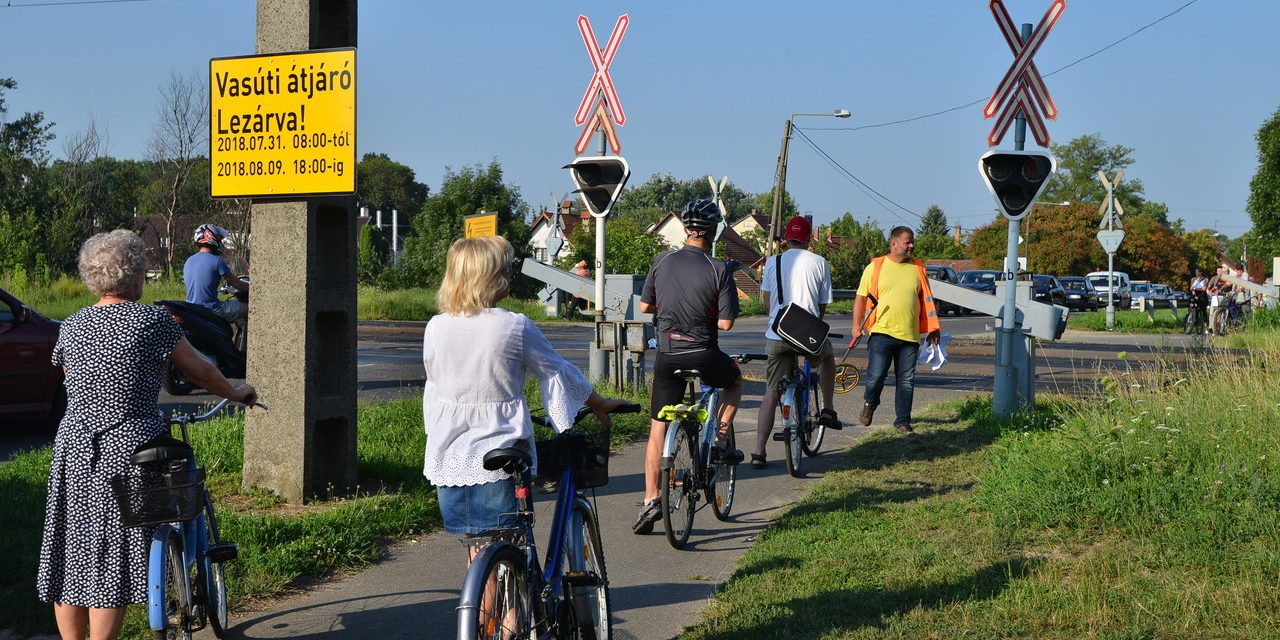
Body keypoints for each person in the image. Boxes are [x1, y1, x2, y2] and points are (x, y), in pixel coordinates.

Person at [37, 230, 258, 640]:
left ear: (92, 277)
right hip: (131, 444)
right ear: (135, 276)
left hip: (75, 445)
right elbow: (201, 369)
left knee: (72, 553)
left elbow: (68, 377)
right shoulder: (151, 319)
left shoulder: (72, 324)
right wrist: (237, 392)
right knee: (113, 555)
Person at [421, 236, 627, 551]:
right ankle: (514, 602)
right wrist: (594, 404)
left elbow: (433, 387)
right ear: (489, 278)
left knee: (479, 547)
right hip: (500, 451)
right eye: (503, 270)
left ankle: (478, 601)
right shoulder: (514, 325)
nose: (508, 276)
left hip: (449, 456)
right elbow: (556, 372)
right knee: (509, 546)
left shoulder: (436, 326)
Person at [633, 199, 743, 534]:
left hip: (668, 356)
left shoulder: (661, 260)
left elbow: (644, 305)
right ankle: (722, 439)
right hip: (703, 354)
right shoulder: (719, 269)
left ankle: (651, 498)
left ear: (685, 229)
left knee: (658, 427)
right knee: (734, 381)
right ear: (713, 231)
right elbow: (726, 324)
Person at [752, 215, 840, 469]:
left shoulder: (772, 262)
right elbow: (822, 306)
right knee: (827, 357)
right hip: (806, 336)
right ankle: (828, 408)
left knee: (771, 391)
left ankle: (759, 451)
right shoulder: (821, 263)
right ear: (809, 238)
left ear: (786, 238)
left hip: (777, 334)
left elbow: (767, 304)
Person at [851, 226, 941, 434]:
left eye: (912, 242)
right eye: (907, 242)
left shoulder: (918, 268)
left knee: (906, 381)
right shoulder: (876, 267)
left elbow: (927, 301)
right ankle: (870, 403)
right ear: (894, 244)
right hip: (881, 333)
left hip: (910, 335)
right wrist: (856, 326)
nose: (912, 245)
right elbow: (860, 297)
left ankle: (902, 421)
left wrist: (933, 328)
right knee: (876, 377)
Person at [183, 223, 248, 322]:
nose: (221, 243)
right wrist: (254, 288)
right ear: (211, 238)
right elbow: (237, 284)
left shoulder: (189, 260)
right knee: (251, 307)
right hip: (211, 309)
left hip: (192, 309)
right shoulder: (216, 261)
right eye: (219, 239)